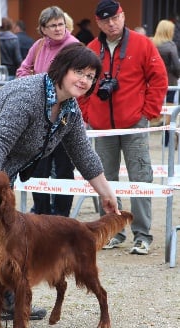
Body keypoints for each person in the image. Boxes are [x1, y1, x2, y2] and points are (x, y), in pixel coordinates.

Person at [0, 42, 120, 328]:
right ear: (62, 69)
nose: (84, 80)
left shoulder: (69, 110)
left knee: (10, 234)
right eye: (79, 72)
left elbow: (83, 154)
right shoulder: (29, 95)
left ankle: (10, 297)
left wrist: (106, 193)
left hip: (1, 169)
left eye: (91, 76)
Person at [78, 0, 168, 255]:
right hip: (102, 126)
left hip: (133, 125)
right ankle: (111, 232)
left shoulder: (141, 44)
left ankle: (142, 235)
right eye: (105, 20)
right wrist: (88, 114)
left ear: (123, 16)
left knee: (141, 177)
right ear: (98, 22)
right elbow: (81, 85)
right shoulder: (92, 49)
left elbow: (159, 78)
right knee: (103, 179)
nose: (112, 23)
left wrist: (148, 112)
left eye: (115, 18)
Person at [16, 6, 78, 217]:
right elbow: (23, 69)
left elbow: (78, 79)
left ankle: (62, 217)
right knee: (38, 168)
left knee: (63, 169)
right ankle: (40, 215)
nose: (59, 29)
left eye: (61, 24)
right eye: (53, 26)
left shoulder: (74, 47)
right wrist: (32, 85)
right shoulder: (39, 45)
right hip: (39, 118)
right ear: (43, 29)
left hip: (64, 116)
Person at [153, 19, 180, 146]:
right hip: (170, 84)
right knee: (170, 112)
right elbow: (176, 66)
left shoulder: (152, 44)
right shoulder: (170, 46)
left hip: (154, 83)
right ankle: (167, 141)